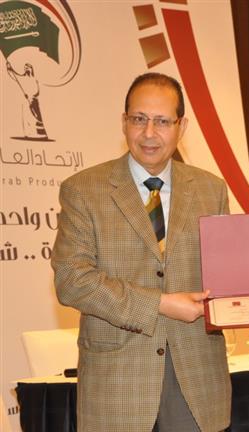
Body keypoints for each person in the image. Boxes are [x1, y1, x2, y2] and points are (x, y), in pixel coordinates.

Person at [51, 73, 232, 431]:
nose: (149, 133)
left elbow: (228, 273)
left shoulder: (211, 189)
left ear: (181, 126)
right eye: (139, 119)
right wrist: (160, 304)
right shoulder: (83, 190)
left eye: (162, 121)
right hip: (118, 385)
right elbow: (72, 280)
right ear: (124, 122)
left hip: (197, 380)